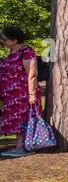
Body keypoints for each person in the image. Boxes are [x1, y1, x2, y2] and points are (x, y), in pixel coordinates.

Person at [0, 26, 42, 158]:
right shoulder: (12, 51)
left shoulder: (27, 51)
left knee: (23, 119)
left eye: (4, 39)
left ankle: (23, 147)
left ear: (15, 39)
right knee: (16, 121)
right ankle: (19, 147)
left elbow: (32, 74)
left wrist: (31, 94)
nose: (3, 42)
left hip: (23, 93)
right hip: (12, 95)